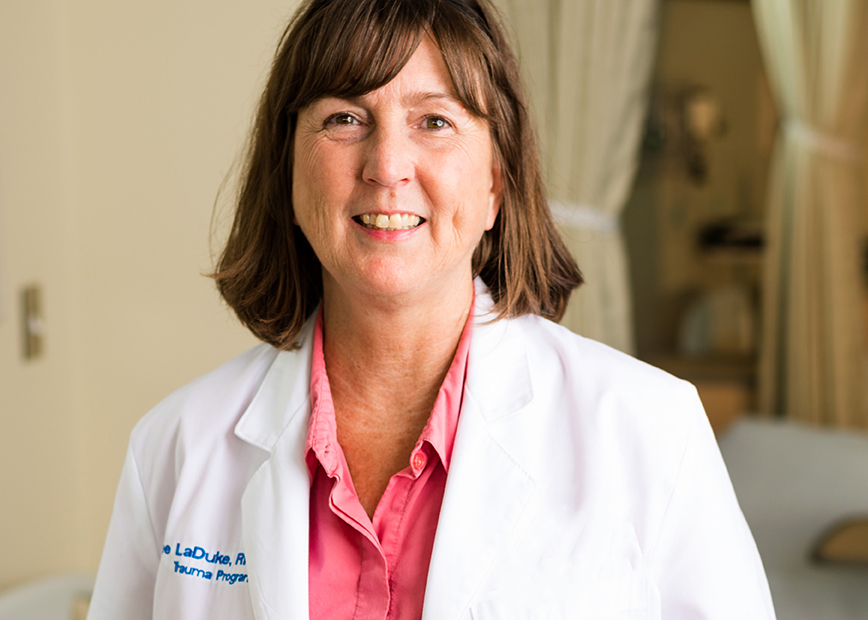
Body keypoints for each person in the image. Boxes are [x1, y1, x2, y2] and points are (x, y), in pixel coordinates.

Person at [88, 0, 776, 618]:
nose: (387, 165)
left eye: (434, 121)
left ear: (495, 186)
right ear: (289, 170)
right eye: (344, 119)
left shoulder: (650, 431)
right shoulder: (176, 447)